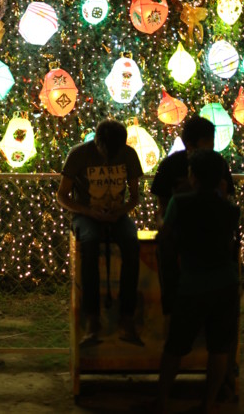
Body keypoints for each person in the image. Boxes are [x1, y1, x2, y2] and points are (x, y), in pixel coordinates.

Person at [152, 149, 240, 414]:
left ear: (193, 176)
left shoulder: (180, 203)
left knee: (176, 346)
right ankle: (209, 404)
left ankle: (161, 401)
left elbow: (164, 236)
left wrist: (164, 225)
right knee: (219, 348)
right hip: (226, 285)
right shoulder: (231, 210)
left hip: (192, 285)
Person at [57, 118, 144, 345]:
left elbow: (135, 197)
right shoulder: (79, 155)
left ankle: (127, 318)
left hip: (117, 214)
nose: (109, 156)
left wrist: (120, 211)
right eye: (106, 151)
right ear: (97, 142)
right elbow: (62, 196)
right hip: (86, 215)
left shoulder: (128, 154)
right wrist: (87, 211)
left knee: (132, 245)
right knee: (89, 243)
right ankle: (92, 319)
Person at [151, 115, 235, 315]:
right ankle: (172, 306)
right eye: (206, 144)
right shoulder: (171, 166)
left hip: (210, 225)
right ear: (189, 144)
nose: (211, 148)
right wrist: (165, 223)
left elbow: (225, 200)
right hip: (180, 228)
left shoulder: (217, 163)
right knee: (166, 249)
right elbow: (162, 208)